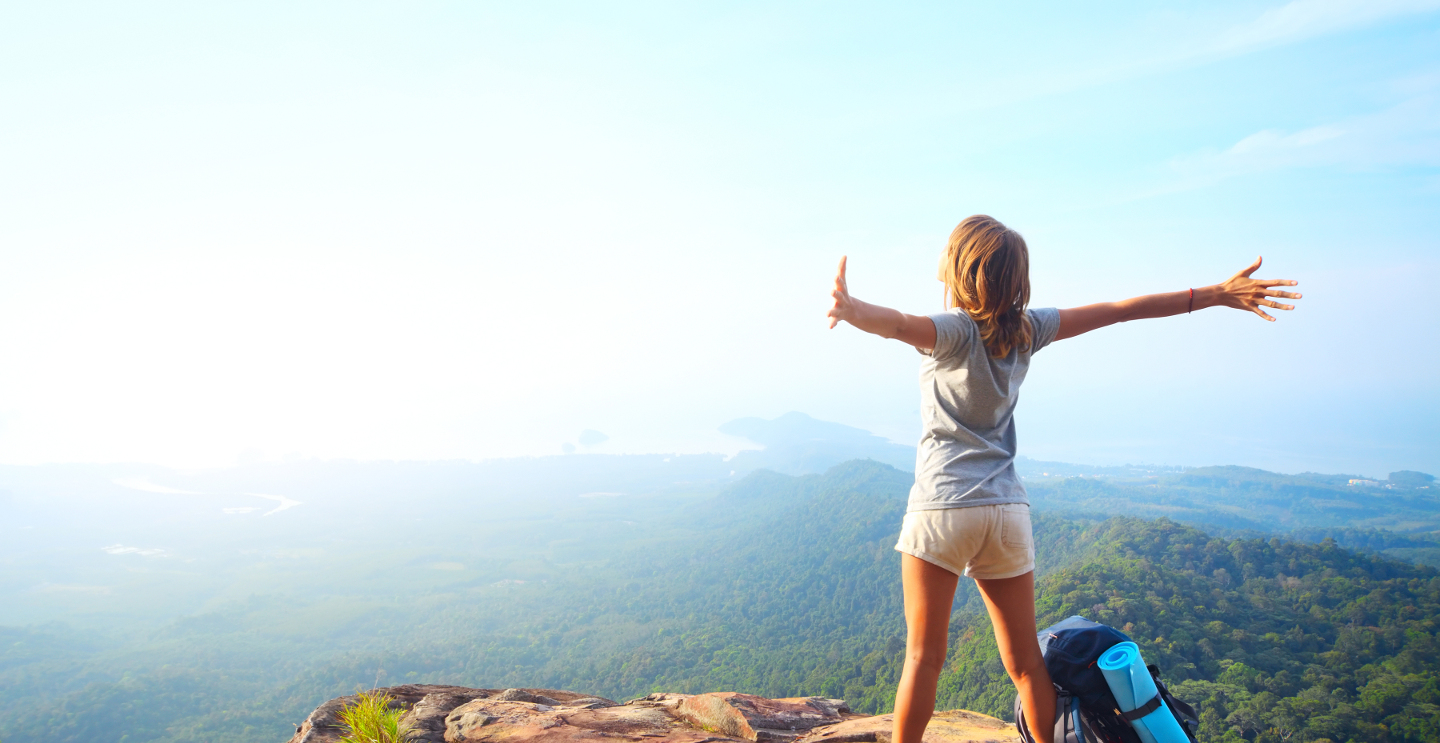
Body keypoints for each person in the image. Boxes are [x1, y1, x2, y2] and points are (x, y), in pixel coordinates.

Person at [824, 215, 1301, 743]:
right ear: (1015, 279)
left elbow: (897, 323)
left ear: (961, 270)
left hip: (942, 507)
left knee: (923, 657)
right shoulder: (1028, 329)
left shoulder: (954, 330)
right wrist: (1213, 294)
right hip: (1006, 514)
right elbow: (1122, 311)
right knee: (1027, 663)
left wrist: (853, 310)